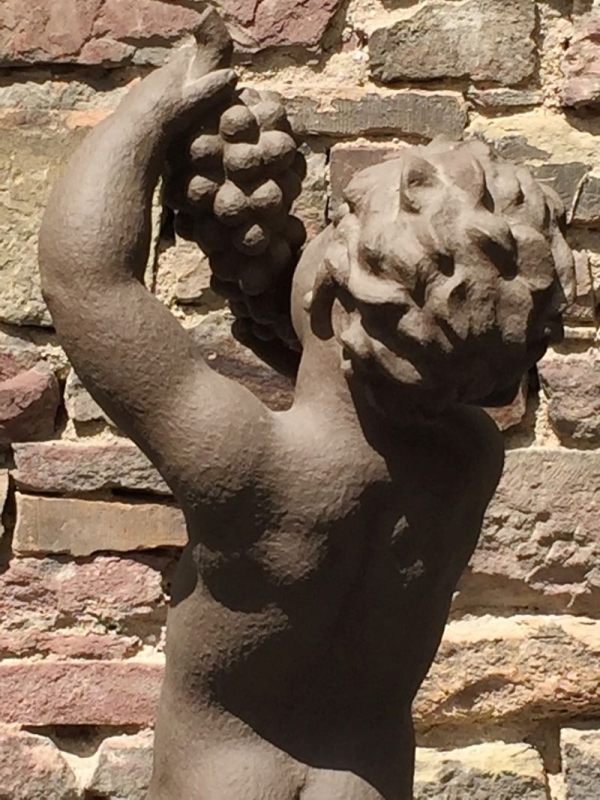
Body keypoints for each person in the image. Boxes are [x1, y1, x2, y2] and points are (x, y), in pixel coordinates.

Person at [39, 23, 574, 800]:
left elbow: (87, 280)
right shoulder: (468, 463)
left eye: (331, 228)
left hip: (225, 776)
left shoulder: (243, 459)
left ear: (322, 293)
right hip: (368, 778)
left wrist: (151, 112)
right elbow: (386, 383)